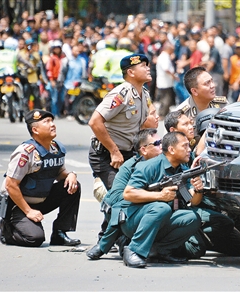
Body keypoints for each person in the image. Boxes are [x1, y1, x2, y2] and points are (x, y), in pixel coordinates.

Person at [164, 111, 240, 258]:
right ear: (173, 131)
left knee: (238, 247)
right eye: (185, 124)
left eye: (191, 123)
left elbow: (198, 152)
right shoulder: (165, 159)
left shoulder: (188, 151)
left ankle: (199, 235)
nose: (191, 127)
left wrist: (197, 188)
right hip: (174, 213)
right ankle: (159, 248)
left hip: (192, 206)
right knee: (196, 249)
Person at [0, 109, 81, 247]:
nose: (52, 124)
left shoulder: (55, 148)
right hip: (18, 205)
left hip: (41, 199)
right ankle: (7, 231)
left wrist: (71, 174)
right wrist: (29, 211)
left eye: (52, 121)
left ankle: (59, 233)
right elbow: (10, 185)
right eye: (46, 122)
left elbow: (60, 172)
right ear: (35, 130)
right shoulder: (25, 152)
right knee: (35, 238)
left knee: (73, 186)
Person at [120, 131, 202, 268]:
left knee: (192, 217)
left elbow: (192, 201)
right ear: (171, 149)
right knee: (162, 207)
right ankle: (133, 249)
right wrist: (160, 196)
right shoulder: (150, 166)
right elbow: (128, 193)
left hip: (159, 220)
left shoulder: (182, 169)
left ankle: (158, 252)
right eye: (185, 146)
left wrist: (198, 189)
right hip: (133, 220)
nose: (189, 150)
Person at [86, 128, 162, 260]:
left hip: (152, 211)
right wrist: (144, 196)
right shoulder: (130, 166)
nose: (161, 146)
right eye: (156, 144)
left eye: (161, 142)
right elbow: (115, 196)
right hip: (130, 210)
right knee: (112, 202)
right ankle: (110, 241)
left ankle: (110, 242)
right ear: (143, 150)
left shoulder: (167, 161)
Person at [88, 53, 153, 203]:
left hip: (128, 154)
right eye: (143, 66)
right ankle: (110, 225)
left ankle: (110, 225)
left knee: (138, 191)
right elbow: (95, 122)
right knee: (120, 195)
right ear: (131, 72)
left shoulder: (144, 94)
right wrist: (114, 151)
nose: (148, 69)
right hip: (106, 154)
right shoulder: (121, 93)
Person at [176, 66, 228, 152]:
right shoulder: (181, 113)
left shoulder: (222, 104)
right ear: (194, 91)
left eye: (212, 81)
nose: (213, 85)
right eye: (207, 83)